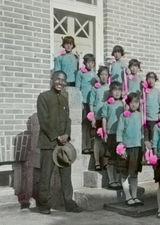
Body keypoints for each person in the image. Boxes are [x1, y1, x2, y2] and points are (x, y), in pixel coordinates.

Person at [36, 71, 82, 214]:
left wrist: (67, 134)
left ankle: (69, 202)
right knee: (46, 175)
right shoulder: (43, 97)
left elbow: (67, 120)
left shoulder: (64, 98)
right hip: (48, 143)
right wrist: (56, 136)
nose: (60, 83)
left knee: (66, 176)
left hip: (63, 145)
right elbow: (43, 120)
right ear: (52, 80)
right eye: (58, 79)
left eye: (63, 80)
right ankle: (44, 204)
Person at [116, 93, 143, 206]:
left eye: (136, 102)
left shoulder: (140, 115)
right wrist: (121, 148)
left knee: (134, 173)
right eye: (131, 102)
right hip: (127, 148)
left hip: (137, 147)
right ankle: (127, 196)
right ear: (127, 103)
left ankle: (135, 196)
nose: (133, 105)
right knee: (125, 173)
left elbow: (142, 131)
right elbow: (119, 132)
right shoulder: (124, 116)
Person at [101, 81, 124, 189]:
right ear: (111, 92)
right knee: (111, 158)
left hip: (120, 136)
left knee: (119, 158)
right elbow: (104, 118)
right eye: (115, 90)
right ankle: (111, 180)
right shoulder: (107, 104)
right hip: (111, 134)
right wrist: (105, 132)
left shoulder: (123, 104)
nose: (117, 93)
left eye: (119, 90)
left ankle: (118, 180)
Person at [89, 66, 110, 170]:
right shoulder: (95, 88)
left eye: (106, 74)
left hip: (106, 118)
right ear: (98, 76)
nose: (104, 77)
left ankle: (105, 162)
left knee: (105, 139)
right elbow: (91, 103)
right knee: (97, 140)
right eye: (102, 74)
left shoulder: (110, 88)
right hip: (97, 117)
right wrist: (92, 118)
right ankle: (97, 162)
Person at [76, 53, 97, 154]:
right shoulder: (80, 73)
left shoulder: (95, 75)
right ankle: (84, 146)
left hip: (92, 104)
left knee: (91, 125)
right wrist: (79, 102)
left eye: (92, 63)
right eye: (88, 62)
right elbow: (77, 88)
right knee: (84, 125)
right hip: (84, 102)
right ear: (85, 63)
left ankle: (90, 146)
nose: (90, 64)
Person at [142, 72, 160, 149]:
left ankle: (154, 157)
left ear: (155, 80)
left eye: (153, 79)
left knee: (154, 139)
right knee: (146, 140)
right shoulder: (144, 92)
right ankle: (147, 156)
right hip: (146, 119)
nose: (151, 81)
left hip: (155, 119)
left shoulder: (157, 92)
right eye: (149, 79)